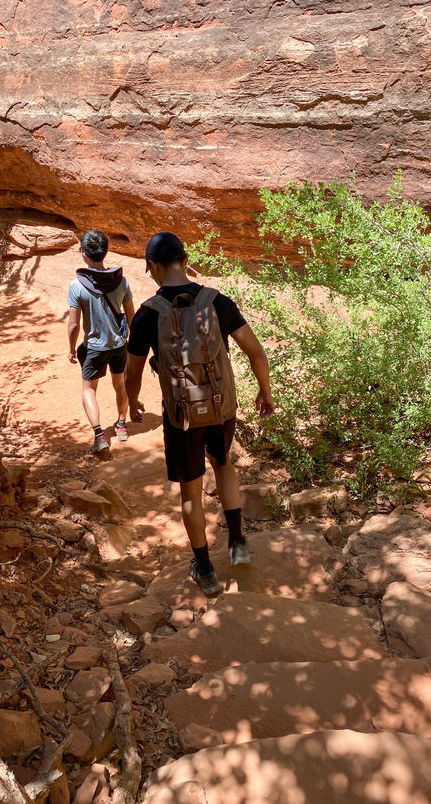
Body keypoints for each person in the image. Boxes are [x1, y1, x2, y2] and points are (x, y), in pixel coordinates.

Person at [125, 231, 275, 595]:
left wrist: (132, 404)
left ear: (152, 267)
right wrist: (264, 391)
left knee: (190, 490)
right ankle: (238, 543)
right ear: (185, 259)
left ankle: (205, 569)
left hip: (181, 415)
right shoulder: (217, 301)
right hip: (221, 407)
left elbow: (132, 372)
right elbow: (256, 352)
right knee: (223, 465)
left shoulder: (148, 313)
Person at [68, 229, 135, 454]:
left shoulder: (77, 286)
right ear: (105, 252)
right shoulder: (121, 281)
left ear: (85, 255)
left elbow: (74, 325)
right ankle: (122, 425)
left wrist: (71, 348)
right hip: (118, 345)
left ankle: (99, 436)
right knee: (120, 384)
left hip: (94, 347)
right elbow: (131, 316)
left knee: (89, 389)